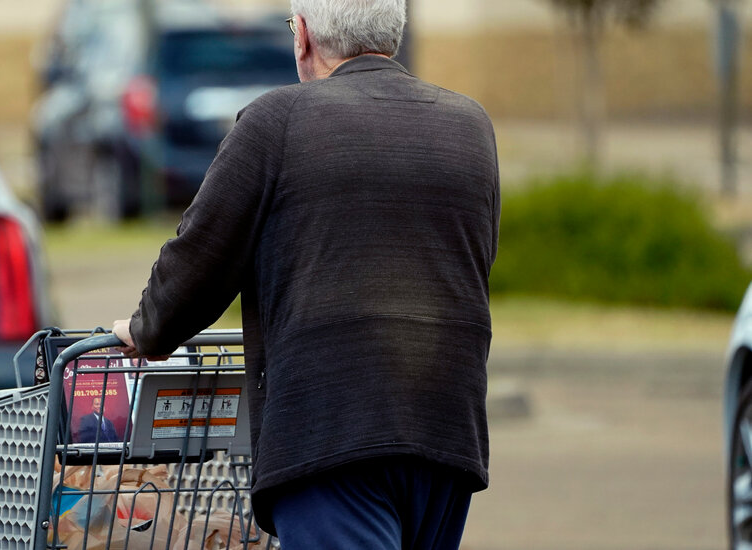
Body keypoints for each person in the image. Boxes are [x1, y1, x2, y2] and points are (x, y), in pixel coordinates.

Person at [113, 0, 500, 547]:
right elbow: (475, 258)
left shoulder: (278, 121)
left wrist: (149, 329)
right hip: (445, 437)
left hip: (330, 432)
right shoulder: (471, 127)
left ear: (304, 38)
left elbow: (201, 256)